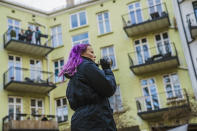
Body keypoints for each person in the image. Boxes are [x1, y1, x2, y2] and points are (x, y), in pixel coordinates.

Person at [59, 44, 117, 131]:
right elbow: (109, 89)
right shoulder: (87, 66)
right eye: (92, 52)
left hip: (79, 121)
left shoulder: (73, 78)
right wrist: (107, 69)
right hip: (97, 120)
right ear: (81, 53)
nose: (95, 55)